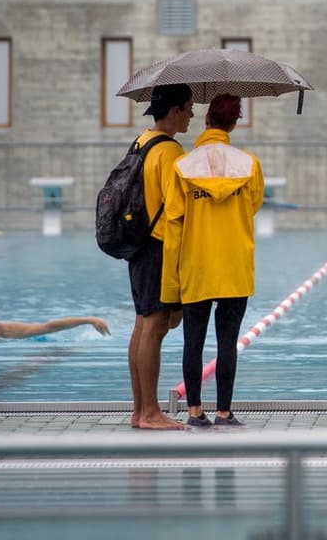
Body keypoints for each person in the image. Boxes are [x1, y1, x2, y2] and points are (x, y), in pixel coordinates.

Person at [160, 94, 264, 428]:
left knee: (193, 340)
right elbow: (253, 206)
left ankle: (194, 412)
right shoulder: (249, 165)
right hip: (234, 265)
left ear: (207, 121)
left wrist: (171, 279)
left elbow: (173, 224)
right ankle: (223, 412)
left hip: (196, 264)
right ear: (234, 123)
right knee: (227, 342)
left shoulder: (183, 167)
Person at [127, 82, 194, 431]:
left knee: (141, 325)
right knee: (154, 328)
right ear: (175, 111)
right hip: (158, 247)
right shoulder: (170, 153)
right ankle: (151, 412)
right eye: (189, 107)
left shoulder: (142, 141)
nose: (193, 114)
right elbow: (176, 211)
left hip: (138, 246)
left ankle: (140, 410)